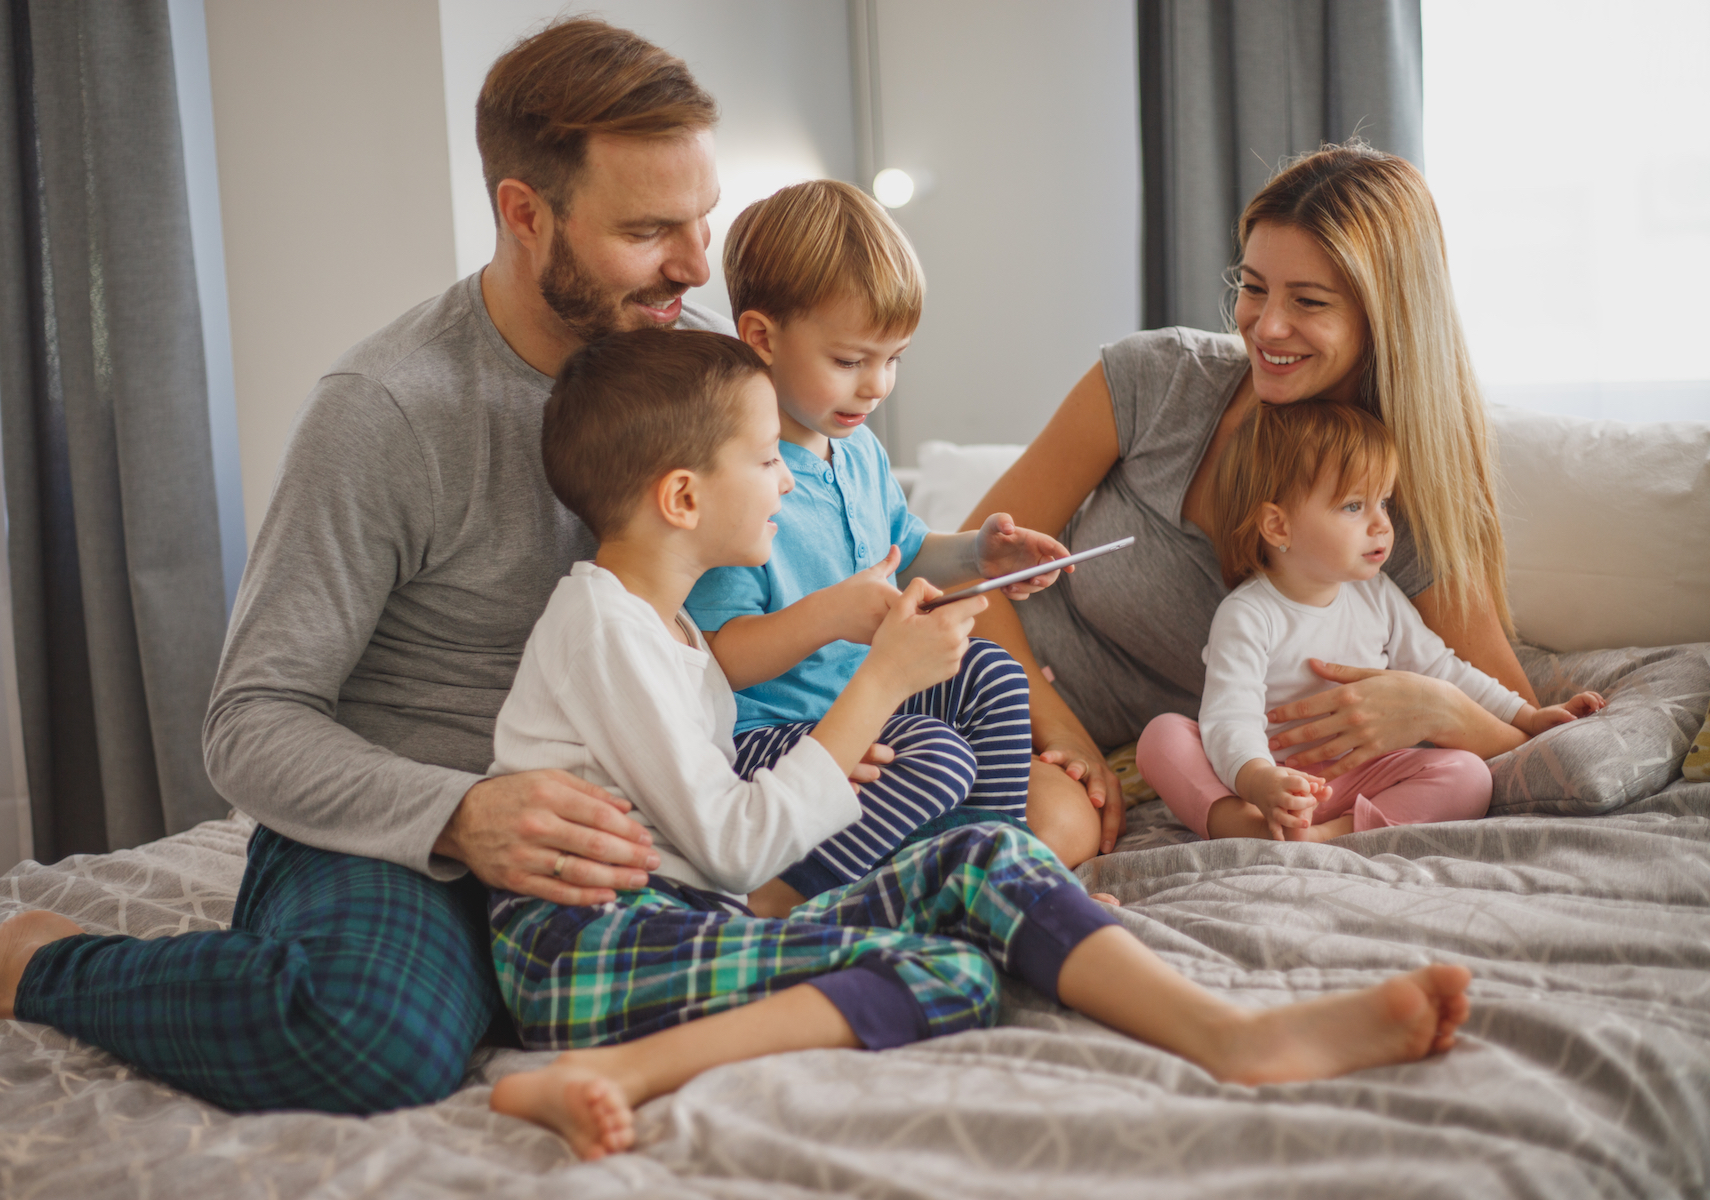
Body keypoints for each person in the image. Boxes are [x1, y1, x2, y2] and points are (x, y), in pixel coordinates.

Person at [0, 19, 800, 1113]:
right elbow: (249, 722)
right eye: (650, 230)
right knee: (369, 1039)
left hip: (633, 809)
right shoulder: (388, 411)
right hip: (408, 829)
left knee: (925, 811)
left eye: (704, 218)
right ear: (526, 213)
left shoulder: (703, 366)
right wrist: (463, 813)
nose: (696, 265)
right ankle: (33, 964)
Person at [479, 326, 1475, 1162]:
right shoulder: (606, 632)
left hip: (684, 912)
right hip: (589, 953)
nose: (786, 477)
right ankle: (618, 1069)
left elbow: (718, 826)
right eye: (766, 457)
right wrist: (877, 686)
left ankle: (1234, 1035)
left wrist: (851, 639)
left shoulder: (660, 626)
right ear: (684, 500)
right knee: (953, 965)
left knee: (982, 879)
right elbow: (736, 849)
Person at [964, 142, 1548, 861]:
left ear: (1386, 317)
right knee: (1047, 829)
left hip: (1114, 760)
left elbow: (1525, 731)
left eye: (1309, 301)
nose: (1266, 326)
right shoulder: (1156, 381)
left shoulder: (1396, 508)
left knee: (1052, 837)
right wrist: (1061, 732)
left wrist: (1435, 707)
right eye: (1253, 287)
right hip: (997, 683)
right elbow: (970, 568)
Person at [683, 181, 1077, 910]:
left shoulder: (858, 450)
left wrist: (980, 557)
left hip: (863, 697)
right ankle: (777, 902)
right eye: (849, 360)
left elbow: (904, 551)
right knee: (936, 756)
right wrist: (830, 615)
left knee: (993, 674)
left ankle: (993, 865)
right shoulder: (737, 478)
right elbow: (716, 661)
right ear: (763, 337)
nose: (877, 386)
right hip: (768, 734)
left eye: (894, 359)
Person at [1137, 401, 1605, 842]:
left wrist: (1527, 716)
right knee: (1162, 737)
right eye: (1353, 506)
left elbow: (1443, 671)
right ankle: (1247, 826)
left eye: (1383, 501)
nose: (1381, 523)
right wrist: (1261, 781)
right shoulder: (1248, 615)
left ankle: (1330, 836)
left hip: (1362, 777)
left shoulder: (1377, 595)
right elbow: (1229, 718)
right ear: (1278, 527)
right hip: (1268, 784)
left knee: (1468, 775)